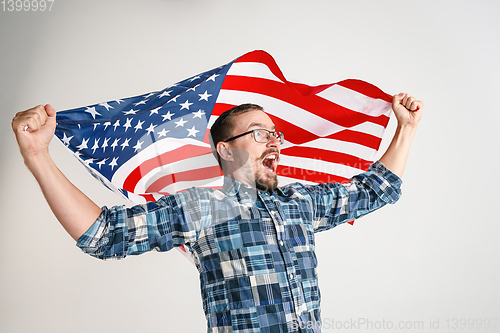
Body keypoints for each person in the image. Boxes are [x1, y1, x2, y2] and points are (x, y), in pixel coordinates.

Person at [12, 93, 423, 333]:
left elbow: (376, 189)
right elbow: (102, 234)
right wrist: (37, 155)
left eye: (275, 135)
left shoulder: (301, 202)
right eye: (260, 134)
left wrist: (406, 128)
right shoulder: (201, 208)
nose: (275, 143)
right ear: (226, 150)